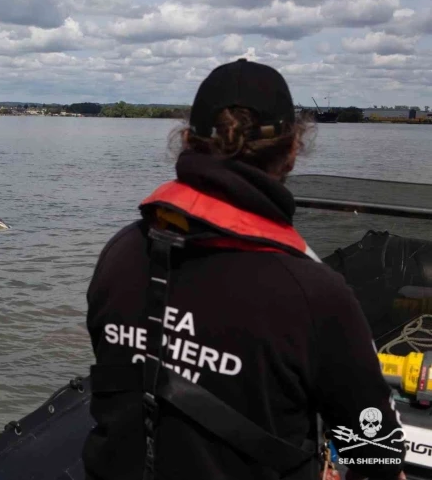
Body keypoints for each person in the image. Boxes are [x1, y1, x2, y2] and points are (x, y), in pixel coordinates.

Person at [81, 59, 407, 480]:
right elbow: (376, 460)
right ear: (292, 149)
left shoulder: (122, 253)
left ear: (185, 139)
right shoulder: (314, 294)